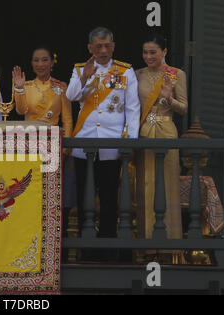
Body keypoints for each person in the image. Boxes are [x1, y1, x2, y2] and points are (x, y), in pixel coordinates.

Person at [66, 27, 141, 243]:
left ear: (113, 46)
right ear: (90, 48)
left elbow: (132, 109)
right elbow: (71, 96)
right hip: (84, 141)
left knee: (109, 195)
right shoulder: (81, 68)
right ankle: (84, 244)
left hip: (111, 143)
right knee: (83, 195)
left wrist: (129, 141)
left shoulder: (125, 71)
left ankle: (107, 244)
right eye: (98, 46)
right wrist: (83, 77)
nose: (103, 50)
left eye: (107, 45)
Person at [12, 46, 74, 259]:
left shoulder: (61, 87)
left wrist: (67, 147)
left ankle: (57, 249)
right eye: (36, 60)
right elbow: (20, 112)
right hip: (29, 147)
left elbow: (67, 119)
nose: (40, 64)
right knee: (31, 198)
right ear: (32, 63)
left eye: (44, 60)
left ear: (51, 62)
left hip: (54, 148)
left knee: (55, 199)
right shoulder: (25, 85)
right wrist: (18, 89)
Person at [135, 33, 188, 240]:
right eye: (145, 52)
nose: (148, 56)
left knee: (167, 186)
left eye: (153, 52)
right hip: (145, 132)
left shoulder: (176, 74)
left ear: (164, 52)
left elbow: (183, 108)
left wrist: (169, 99)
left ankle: (170, 244)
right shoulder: (137, 74)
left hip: (166, 132)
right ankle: (145, 242)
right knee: (145, 186)